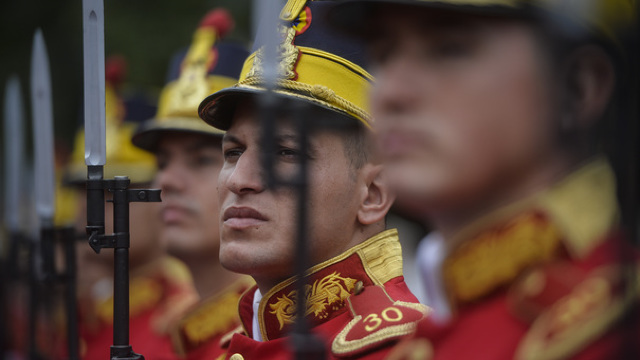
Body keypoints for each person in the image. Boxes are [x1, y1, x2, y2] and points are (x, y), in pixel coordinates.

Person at [329, 0, 639, 358]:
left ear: (578, 86)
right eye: (382, 55)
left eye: (449, 50)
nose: (391, 93)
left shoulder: (616, 330)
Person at [196, 1, 428, 359]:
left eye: (286, 153)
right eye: (233, 152)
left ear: (372, 195)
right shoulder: (236, 345)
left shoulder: (402, 350)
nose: (239, 179)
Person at [132, 9, 254, 360]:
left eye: (201, 159)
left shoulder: (269, 339)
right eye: (162, 162)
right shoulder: (172, 338)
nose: (167, 181)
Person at [66, 56, 197, 360]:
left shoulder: (174, 325)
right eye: (83, 190)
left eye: (116, 189)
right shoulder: (89, 318)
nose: (93, 205)